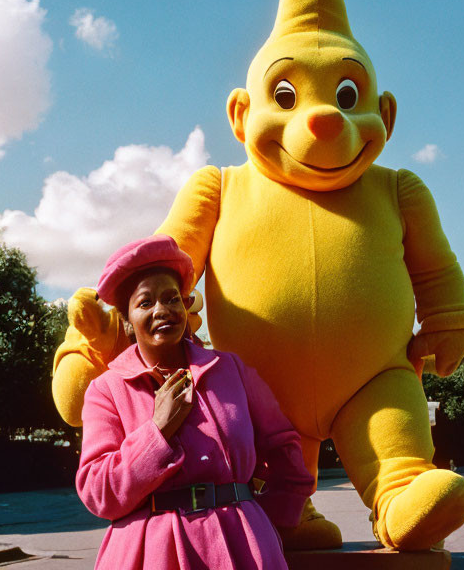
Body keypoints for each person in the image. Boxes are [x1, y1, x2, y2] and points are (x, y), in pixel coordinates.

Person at [75, 235, 313, 569]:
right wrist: (158, 430)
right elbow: (98, 492)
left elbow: (285, 448)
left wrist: (263, 522)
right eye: (145, 303)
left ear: (186, 306)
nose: (162, 310)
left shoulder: (231, 370)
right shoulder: (106, 390)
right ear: (127, 319)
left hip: (244, 548)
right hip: (151, 556)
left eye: (172, 299)